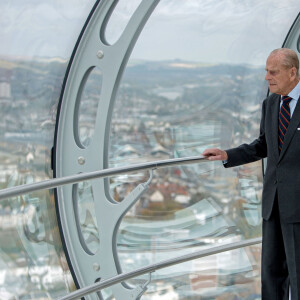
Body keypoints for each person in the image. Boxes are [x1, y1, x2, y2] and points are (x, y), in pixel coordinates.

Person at [202, 48, 300, 300]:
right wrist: (227, 155)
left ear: (293, 72)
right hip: (273, 205)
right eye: (266, 71)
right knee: (271, 274)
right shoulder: (270, 104)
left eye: (273, 72)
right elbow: (264, 145)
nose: (266, 77)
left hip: (299, 207)